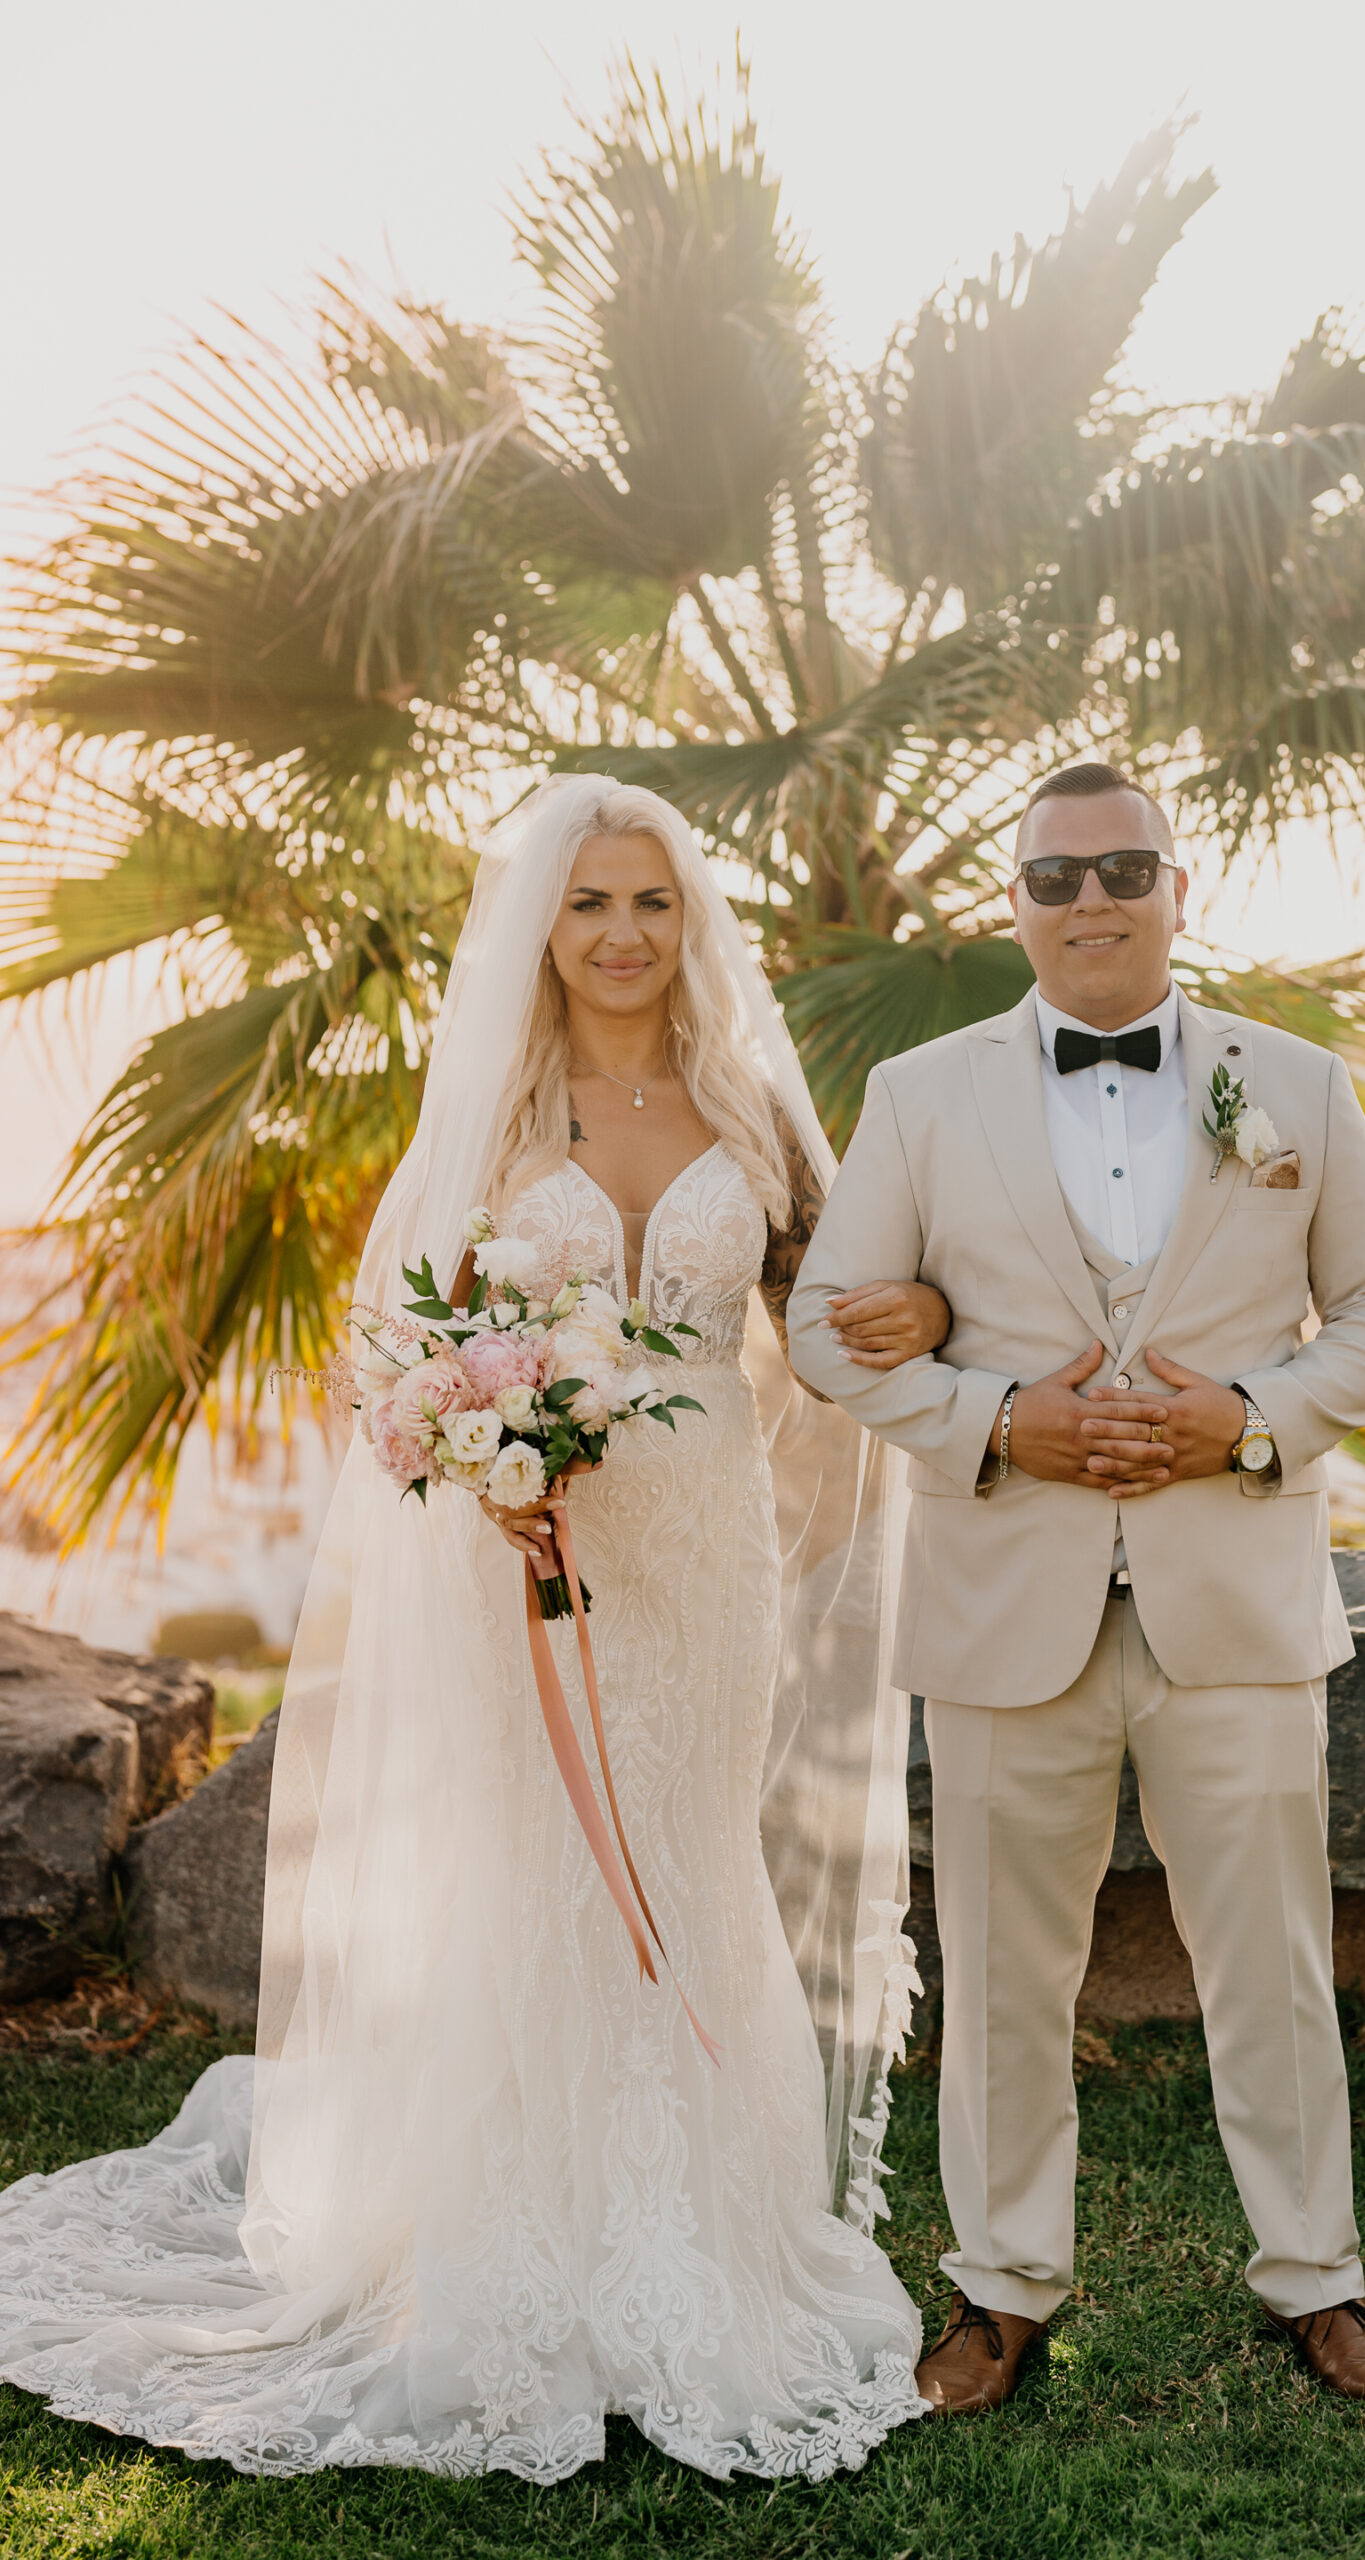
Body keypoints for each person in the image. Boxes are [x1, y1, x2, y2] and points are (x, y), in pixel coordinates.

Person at [0, 776, 948, 2483]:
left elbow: (820, 1328)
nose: (622, 934)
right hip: (537, 1551)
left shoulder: (751, 1111)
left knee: (686, 1858)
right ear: (541, 926)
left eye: (652, 902)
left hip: (705, 1559)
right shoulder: (497, 1119)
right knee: (542, 1878)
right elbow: (398, 1356)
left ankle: (698, 2243)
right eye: (589, 903)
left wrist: (928, 1308)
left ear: (691, 922)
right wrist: (480, 1454)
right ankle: (513, 2252)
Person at [788, 759, 1365, 2412]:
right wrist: (1002, 1415)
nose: (1092, 903)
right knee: (1004, 1974)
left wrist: (1253, 1422)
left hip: (1237, 1604)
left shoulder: (1295, 1081)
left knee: (1276, 1964)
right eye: (1058, 878)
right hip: (1009, 1597)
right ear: (1015, 902)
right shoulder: (923, 1096)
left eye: (1123, 870)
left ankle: (1323, 2283)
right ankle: (999, 2293)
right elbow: (822, 1324)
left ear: (1177, 885)